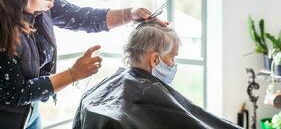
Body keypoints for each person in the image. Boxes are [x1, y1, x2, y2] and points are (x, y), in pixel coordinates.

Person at [0, 0, 167, 129]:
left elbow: (82, 17)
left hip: (31, 112)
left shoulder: (42, 7)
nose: (52, 4)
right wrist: (73, 74)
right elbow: (16, 93)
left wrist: (130, 14)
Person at [73, 22, 241, 129]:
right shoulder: (153, 100)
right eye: (172, 57)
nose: (173, 64)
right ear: (154, 59)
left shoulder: (97, 92)